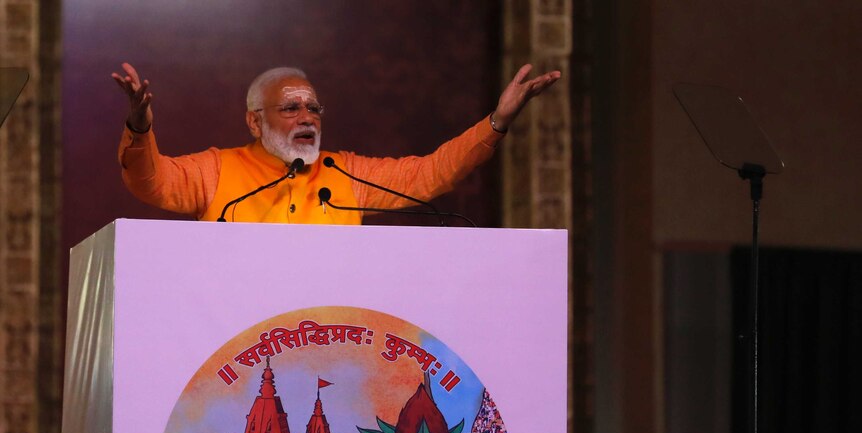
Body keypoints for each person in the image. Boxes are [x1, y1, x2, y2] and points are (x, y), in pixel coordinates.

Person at [112, 62, 560, 223]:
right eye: (291, 109)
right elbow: (153, 181)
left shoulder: (343, 173)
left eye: (314, 109)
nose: (307, 117)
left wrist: (497, 122)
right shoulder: (215, 171)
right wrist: (139, 126)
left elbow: (429, 175)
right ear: (254, 122)